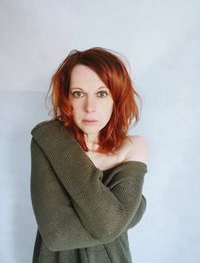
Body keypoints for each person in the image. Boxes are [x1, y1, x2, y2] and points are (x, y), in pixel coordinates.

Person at [30, 47, 149, 263]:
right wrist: (131, 213)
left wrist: (118, 221)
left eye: (102, 93)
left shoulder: (134, 146)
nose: (89, 107)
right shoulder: (48, 140)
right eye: (78, 93)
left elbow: (110, 226)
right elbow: (58, 236)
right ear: (67, 98)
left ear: (116, 97)